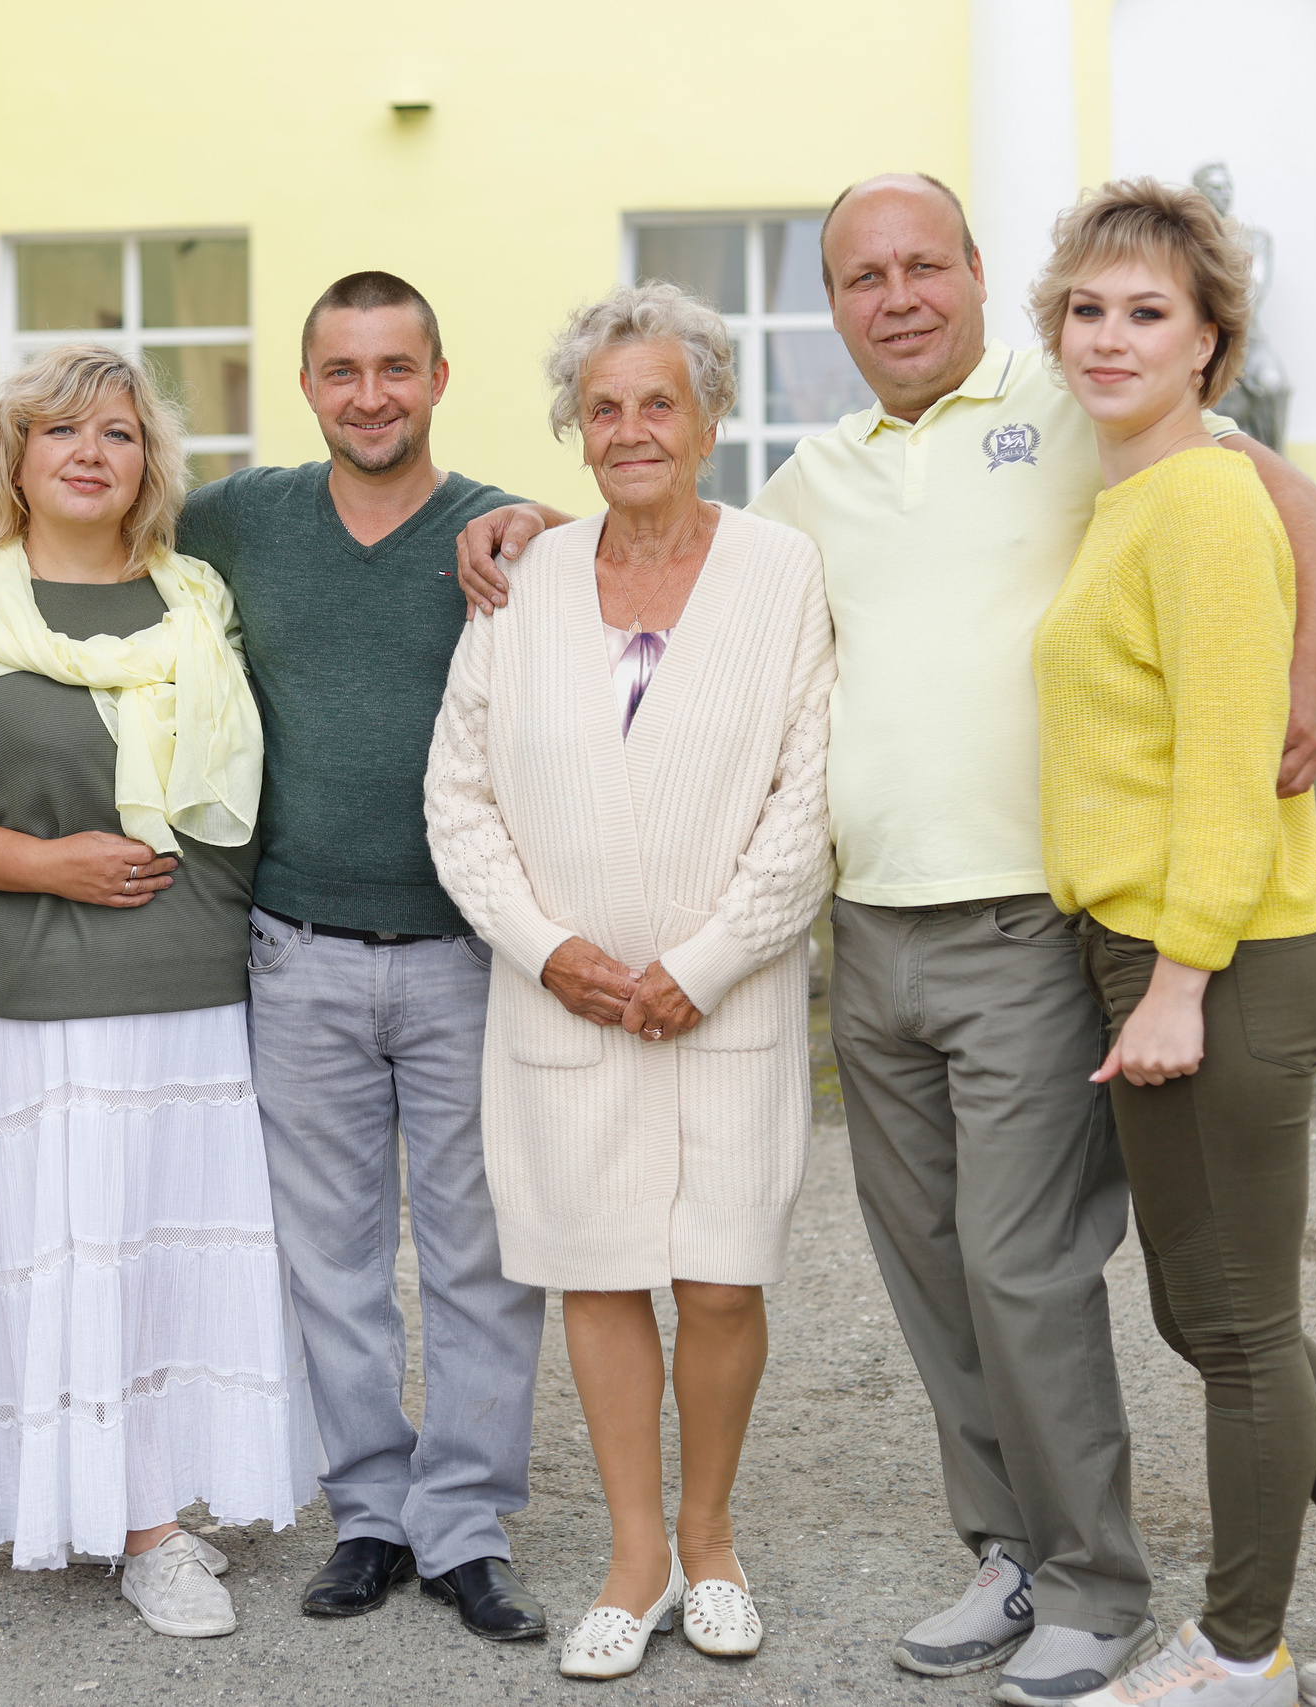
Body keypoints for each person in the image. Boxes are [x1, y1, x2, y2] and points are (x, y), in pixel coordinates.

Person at [456, 175, 1316, 1705]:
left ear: (980, 276)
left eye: (923, 265)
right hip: (867, 930)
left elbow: (1300, 510)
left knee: (1022, 1267)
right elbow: (678, 541)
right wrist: (535, 523)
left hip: (1025, 919)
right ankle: (1004, 1549)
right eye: (863, 277)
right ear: (835, 307)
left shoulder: (1076, 409)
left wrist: (1300, 697)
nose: (898, 297)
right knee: (927, 1269)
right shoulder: (808, 490)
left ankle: (1092, 1579)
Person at [1029, 180, 1316, 1707]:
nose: (1110, 338)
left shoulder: (1202, 505)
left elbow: (1234, 767)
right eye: (1088, 309)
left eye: (1146, 313)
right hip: (1168, 952)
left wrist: (1176, 982)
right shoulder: (1147, 493)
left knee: (1233, 1328)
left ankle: (1238, 1654)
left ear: (1210, 343)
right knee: (1228, 1316)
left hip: (1217, 962)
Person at [0, 342, 312, 1641]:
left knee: (171, 1259)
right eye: (59, 431)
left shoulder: (200, 604)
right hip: (48, 1000)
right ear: (15, 459)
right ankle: (140, 1532)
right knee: (90, 1258)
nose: (89, 453)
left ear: (147, 463)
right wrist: (44, 863)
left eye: (116, 433)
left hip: (202, 986)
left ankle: (162, 1496)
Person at [426, 283, 832, 1681]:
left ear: (710, 417)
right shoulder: (520, 577)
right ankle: (635, 1558)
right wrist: (558, 956)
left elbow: (807, 792)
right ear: (573, 430)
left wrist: (707, 963)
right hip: (565, 1007)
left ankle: (712, 1541)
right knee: (596, 1277)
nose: (632, 429)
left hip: (730, 1002)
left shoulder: (783, 572)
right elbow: (459, 798)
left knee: (720, 1278)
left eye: (660, 401)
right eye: (604, 408)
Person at [175, 271, 552, 1643]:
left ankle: (465, 1525)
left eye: (397, 367)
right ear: (307, 384)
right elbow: (72, 525)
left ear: (440, 376)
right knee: (329, 1258)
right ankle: (370, 1514)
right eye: (344, 370)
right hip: (298, 952)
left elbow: (648, 559)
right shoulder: (241, 520)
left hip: (466, 956)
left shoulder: (501, 533)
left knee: (480, 1259)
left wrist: (551, 520)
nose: (371, 394)